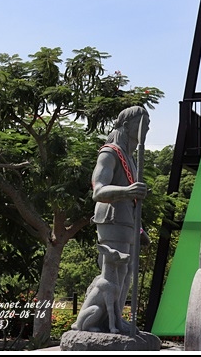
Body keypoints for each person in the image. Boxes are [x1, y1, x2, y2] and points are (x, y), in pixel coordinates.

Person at [72, 105, 150, 335]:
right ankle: (106, 321)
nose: (146, 130)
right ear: (127, 126)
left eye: (148, 126)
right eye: (142, 125)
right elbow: (99, 190)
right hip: (112, 218)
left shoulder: (131, 158)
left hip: (128, 221)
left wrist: (140, 230)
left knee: (126, 275)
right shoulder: (110, 152)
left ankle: (115, 319)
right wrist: (128, 191)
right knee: (114, 272)